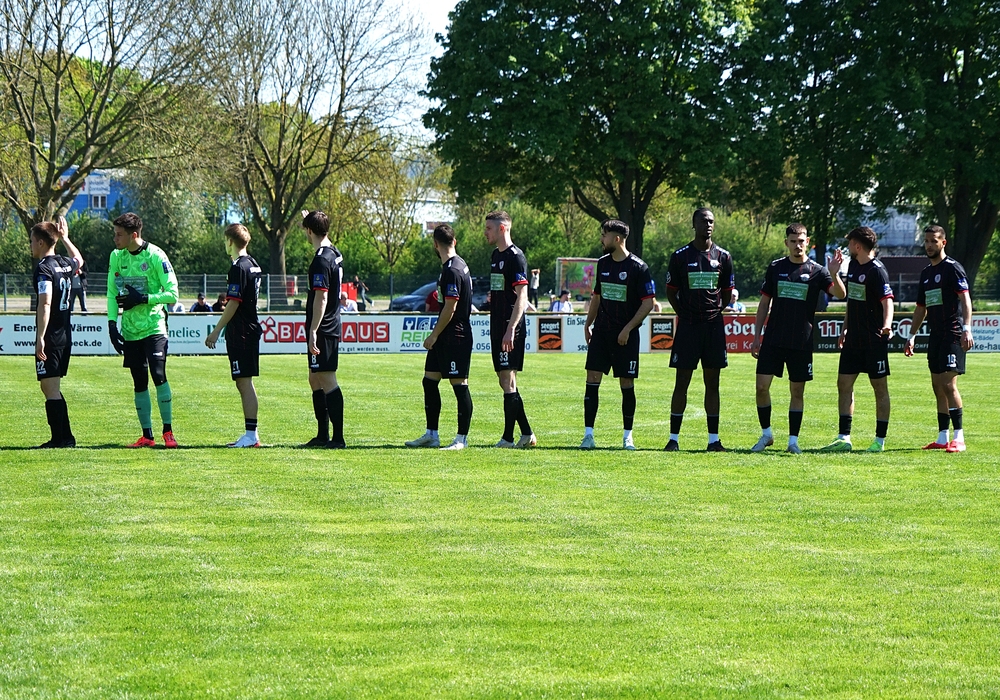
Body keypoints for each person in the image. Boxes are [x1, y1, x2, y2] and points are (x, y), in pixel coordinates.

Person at [750, 224, 847, 453]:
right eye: (793, 241)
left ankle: (793, 442)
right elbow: (764, 304)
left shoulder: (818, 271)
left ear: (808, 242)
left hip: (801, 341)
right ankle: (766, 434)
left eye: (801, 241)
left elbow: (841, 294)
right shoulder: (776, 267)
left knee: (797, 392)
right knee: (761, 387)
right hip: (773, 338)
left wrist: (834, 273)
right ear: (786, 243)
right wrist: (756, 336)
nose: (797, 245)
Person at [580, 219, 655, 450]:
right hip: (601, 333)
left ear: (617, 238)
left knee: (626, 382)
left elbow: (648, 303)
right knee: (592, 379)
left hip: (625, 337)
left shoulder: (639, 268)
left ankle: (627, 437)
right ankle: (588, 436)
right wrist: (588, 324)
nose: (601, 239)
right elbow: (597, 296)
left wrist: (628, 329)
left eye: (604, 235)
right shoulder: (602, 263)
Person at [106, 212, 180, 448]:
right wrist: (111, 323)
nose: (115, 239)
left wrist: (144, 298)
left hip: (154, 326)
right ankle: (147, 435)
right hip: (130, 330)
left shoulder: (156, 255)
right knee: (139, 381)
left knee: (158, 374)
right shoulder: (116, 256)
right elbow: (111, 292)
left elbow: (172, 294)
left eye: (119, 235)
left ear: (134, 235)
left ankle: (168, 432)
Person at [664, 208, 735, 452]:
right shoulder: (680, 256)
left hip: (713, 327)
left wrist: (713, 312)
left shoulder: (724, 257)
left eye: (711, 221)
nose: (708, 225)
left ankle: (713, 440)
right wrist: (684, 313)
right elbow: (671, 292)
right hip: (688, 327)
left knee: (712, 383)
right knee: (681, 382)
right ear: (693, 224)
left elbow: (726, 294)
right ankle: (673, 439)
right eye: (704, 221)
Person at [820, 226, 894, 453]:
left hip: (873, 339)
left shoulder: (877, 271)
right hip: (853, 338)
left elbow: (888, 301)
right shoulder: (852, 266)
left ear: (858, 245)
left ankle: (879, 440)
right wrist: (845, 328)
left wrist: (887, 324)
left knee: (879, 388)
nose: (848, 246)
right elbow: (850, 299)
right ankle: (844, 438)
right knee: (843, 384)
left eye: (850, 242)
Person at [904, 225, 974, 452]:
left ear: (943, 243)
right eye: (926, 241)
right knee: (937, 386)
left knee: (948, 384)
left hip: (953, 334)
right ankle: (943, 437)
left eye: (934, 241)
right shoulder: (926, 274)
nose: (929, 245)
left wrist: (967, 329)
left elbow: (965, 300)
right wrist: (911, 335)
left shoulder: (953, 268)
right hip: (935, 336)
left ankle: (959, 438)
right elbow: (920, 308)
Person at [405, 224, 474, 450]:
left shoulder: (453, 269)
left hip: (455, 336)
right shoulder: (455, 265)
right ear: (454, 241)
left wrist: (433, 335)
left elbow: (450, 307)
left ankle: (461, 439)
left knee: (459, 385)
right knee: (429, 381)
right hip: (446, 336)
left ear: (435, 244)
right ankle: (431, 434)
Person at [205, 223, 264, 448]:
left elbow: (233, 303)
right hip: (249, 328)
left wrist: (216, 330)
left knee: (244, 382)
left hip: (241, 331)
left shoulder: (238, 267)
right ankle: (251, 434)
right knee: (243, 382)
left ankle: (251, 435)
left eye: (225, 240)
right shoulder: (253, 264)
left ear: (230, 241)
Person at [30, 216, 84, 448]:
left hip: (51, 336)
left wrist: (40, 338)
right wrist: (66, 239)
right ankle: (65, 436)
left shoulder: (44, 268)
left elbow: (45, 303)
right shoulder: (64, 263)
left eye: (32, 241)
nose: (31, 245)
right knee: (49, 386)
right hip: (65, 335)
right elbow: (79, 259)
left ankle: (60, 439)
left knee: (50, 388)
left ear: (41, 242)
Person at [484, 210, 536, 448]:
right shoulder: (496, 255)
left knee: (507, 380)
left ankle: (508, 437)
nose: (486, 232)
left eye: (489, 228)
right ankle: (526, 433)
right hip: (497, 326)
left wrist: (511, 328)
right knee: (505, 380)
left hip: (509, 327)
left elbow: (522, 296)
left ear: (502, 228)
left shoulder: (516, 257)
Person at [301, 210, 346, 448]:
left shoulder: (321, 259)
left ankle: (337, 438)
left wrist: (313, 331)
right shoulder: (333, 252)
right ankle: (322, 435)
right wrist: (311, 217)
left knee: (327, 379)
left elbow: (322, 297)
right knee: (314, 378)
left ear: (309, 231)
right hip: (328, 324)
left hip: (324, 327)